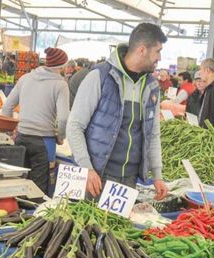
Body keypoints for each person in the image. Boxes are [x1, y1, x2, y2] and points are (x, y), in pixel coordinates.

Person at [67, 23, 169, 200]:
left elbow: (153, 134)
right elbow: (74, 126)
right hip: (97, 176)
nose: (159, 58)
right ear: (142, 50)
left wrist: (157, 175)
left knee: (117, 226)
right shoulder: (100, 76)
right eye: (158, 51)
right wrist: (87, 168)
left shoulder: (152, 86)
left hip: (129, 180)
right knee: (88, 225)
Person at [1, 47, 70, 193]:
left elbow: (7, 107)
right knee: (37, 191)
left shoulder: (25, 78)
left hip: (21, 138)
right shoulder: (60, 85)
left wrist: (10, 131)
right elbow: (64, 118)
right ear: (62, 66)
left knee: (18, 183)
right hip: (44, 142)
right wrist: (60, 136)